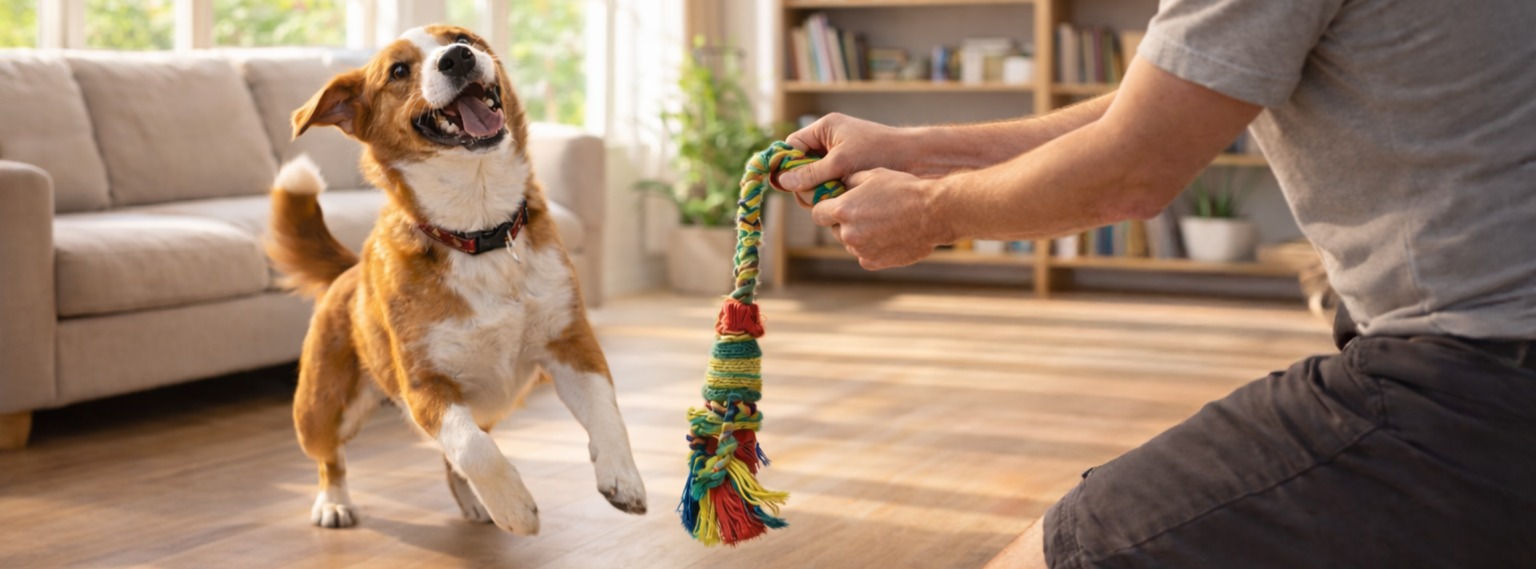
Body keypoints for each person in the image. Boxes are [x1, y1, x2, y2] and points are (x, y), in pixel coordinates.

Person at [774, 0, 1536, 566]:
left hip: (1469, 386)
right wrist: (920, 151)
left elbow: (1132, 171)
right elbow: (1165, 104)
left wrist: (930, 213)